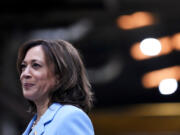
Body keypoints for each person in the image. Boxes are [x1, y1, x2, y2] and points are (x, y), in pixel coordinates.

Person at [16, 39, 94, 135]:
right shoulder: (33, 124)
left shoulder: (70, 117)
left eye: (36, 65)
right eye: (23, 66)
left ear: (60, 76)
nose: (25, 73)